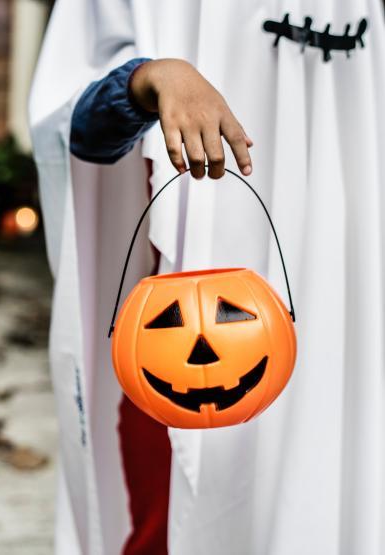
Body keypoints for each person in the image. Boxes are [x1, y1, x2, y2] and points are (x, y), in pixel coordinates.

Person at [29, 1, 385, 554]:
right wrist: (150, 78)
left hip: (355, 261)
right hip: (191, 273)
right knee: (178, 486)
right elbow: (71, 119)